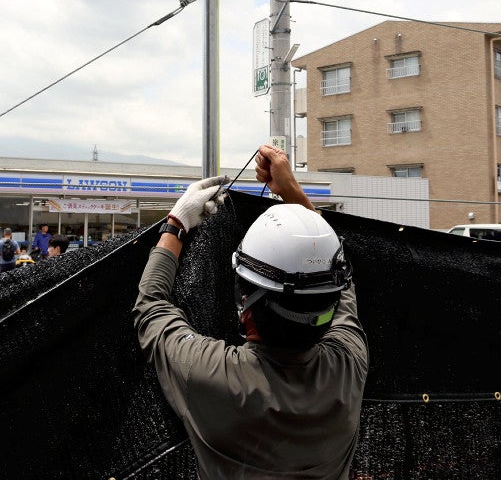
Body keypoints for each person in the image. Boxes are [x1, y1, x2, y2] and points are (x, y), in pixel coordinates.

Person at [133, 144, 368, 478]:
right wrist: (292, 192)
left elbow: (151, 305)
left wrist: (177, 222)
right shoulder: (348, 363)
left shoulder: (212, 375)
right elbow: (336, 277)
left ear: (245, 301)